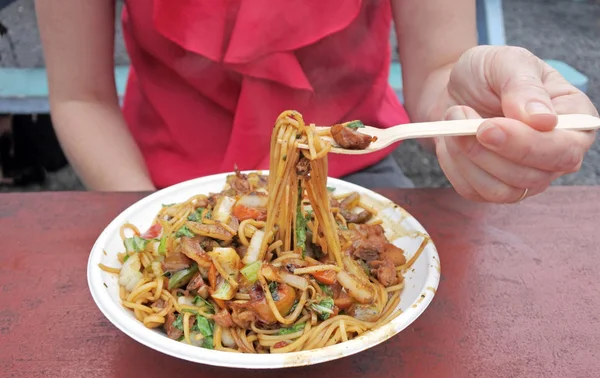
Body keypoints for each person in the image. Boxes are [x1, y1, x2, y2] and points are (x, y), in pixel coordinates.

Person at [35, 0, 598, 203]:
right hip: (154, 182)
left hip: (359, 171)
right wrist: (153, 215)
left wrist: (471, 110)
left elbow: (438, 70)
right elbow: (82, 98)